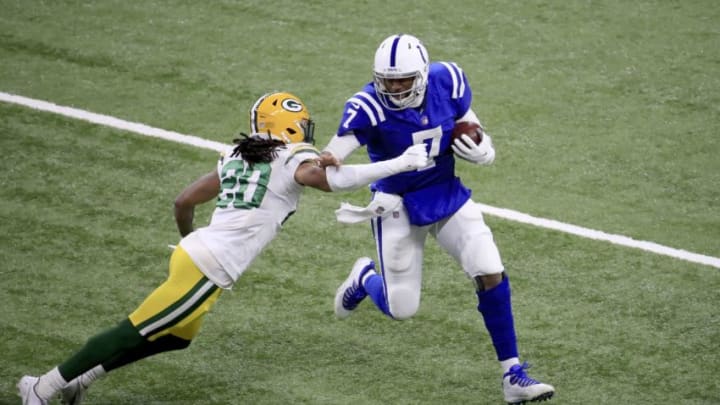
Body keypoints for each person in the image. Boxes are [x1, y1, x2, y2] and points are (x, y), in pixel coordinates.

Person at [17, 91, 429, 405]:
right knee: (135, 328)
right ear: (290, 126)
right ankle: (43, 387)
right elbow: (330, 180)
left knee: (178, 337)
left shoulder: (236, 152)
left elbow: (184, 202)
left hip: (198, 256)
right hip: (208, 262)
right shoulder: (291, 156)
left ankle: (78, 380)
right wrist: (399, 163)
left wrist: (189, 244)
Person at [322, 34, 555, 404]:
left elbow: (472, 127)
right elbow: (332, 170)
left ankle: (512, 375)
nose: (395, 88)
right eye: (388, 80)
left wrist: (484, 152)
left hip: (445, 191)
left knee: (488, 268)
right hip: (395, 201)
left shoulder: (448, 80)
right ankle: (365, 277)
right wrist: (392, 164)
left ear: (423, 75)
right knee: (402, 309)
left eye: (403, 80)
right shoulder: (366, 106)